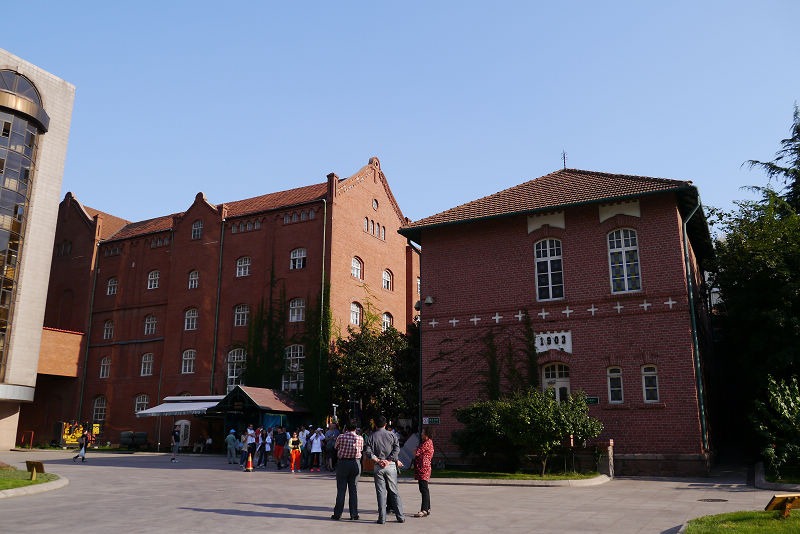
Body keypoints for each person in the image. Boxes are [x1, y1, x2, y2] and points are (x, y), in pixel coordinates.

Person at [364, 415, 405, 524]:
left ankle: (382, 518)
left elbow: (368, 452)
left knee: (381, 492)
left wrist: (378, 460)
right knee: (394, 491)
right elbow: (397, 448)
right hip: (390, 465)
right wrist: (389, 460)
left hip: (378, 466)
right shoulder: (392, 435)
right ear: (385, 424)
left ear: (375, 425)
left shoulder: (371, 436)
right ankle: (400, 516)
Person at [331, 421, 363, 521]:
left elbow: (336, 447)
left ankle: (337, 514)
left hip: (343, 463)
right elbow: (361, 449)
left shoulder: (341, 437)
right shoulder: (360, 438)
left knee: (341, 490)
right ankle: (354, 514)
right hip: (355, 463)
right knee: (353, 490)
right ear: (355, 428)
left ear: (346, 428)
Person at [412, 427, 434, 517]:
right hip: (423, 468)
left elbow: (416, 452)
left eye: (423, 432)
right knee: (424, 488)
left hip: (423, 468)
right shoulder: (427, 442)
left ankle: (424, 510)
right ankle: (427, 508)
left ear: (427, 434)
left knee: (423, 489)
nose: (421, 434)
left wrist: (415, 451)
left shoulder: (427, 443)